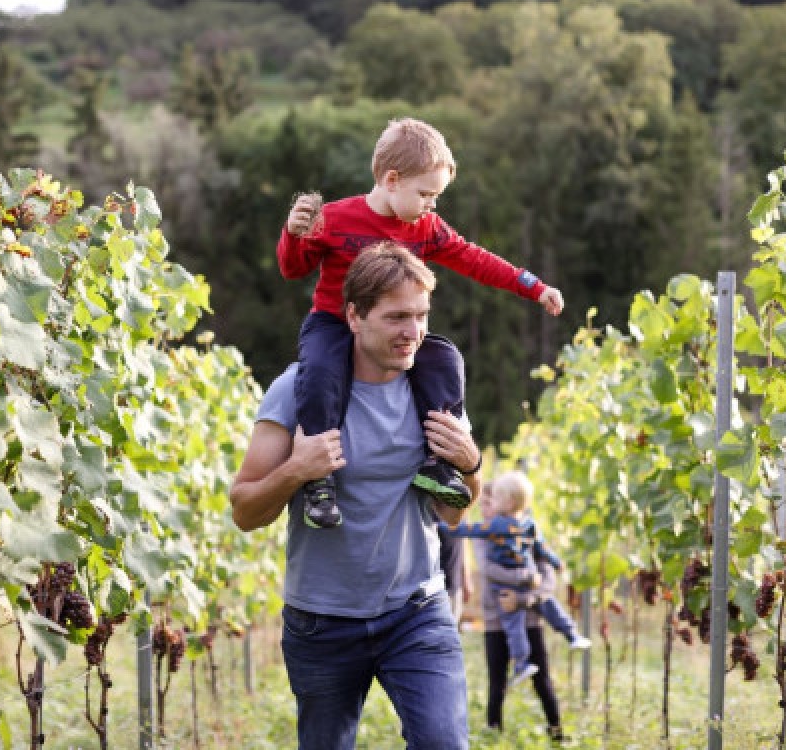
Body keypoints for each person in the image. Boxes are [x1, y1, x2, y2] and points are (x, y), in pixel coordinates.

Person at [231, 243, 482, 750]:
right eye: (396, 317)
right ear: (353, 316)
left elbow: (453, 513)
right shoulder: (296, 391)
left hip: (416, 610)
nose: (413, 331)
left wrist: (471, 464)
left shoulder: (434, 393)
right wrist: (297, 470)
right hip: (322, 622)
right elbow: (245, 510)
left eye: (420, 316)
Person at [278, 117, 563, 529]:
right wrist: (293, 234)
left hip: (394, 330)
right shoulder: (336, 219)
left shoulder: (425, 227)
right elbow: (293, 268)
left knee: (445, 360)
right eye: (426, 194)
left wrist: (533, 286)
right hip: (334, 323)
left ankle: (437, 463)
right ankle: (319, 480)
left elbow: (474, 259)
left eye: (436, 196)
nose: (432, 205)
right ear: (392, 180)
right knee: (320, 371)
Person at [445, 472, 590, 685]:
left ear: (509, 502)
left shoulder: (498, 525)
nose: (492, 503)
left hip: (507, 586)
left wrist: (440, 527)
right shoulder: (529, 525)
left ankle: (522, 663)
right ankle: (572, 634)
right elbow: (543, 548)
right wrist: (556, 562)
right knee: (548, 606)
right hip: (526, 580)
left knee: (515, 626)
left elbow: (469, 530)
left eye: (496, 498)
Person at [473, 481, 568, 743]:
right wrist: (526, 577)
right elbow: (488, 570)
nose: (484, 509)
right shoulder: (484, 535)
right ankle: (493, 737)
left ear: (506, 504)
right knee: (497, 683)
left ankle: (557, 733)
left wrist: (523, 599)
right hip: (495, 620)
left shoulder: (528, 531)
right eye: (482, 504)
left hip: (529, 618)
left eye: (489, 503)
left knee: (542, 680)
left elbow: (547, 578)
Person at [437, 521, 472, 628]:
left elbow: (463, 541)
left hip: (455, 585)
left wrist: (466, 579)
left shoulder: (461, 512)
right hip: (434, 589)